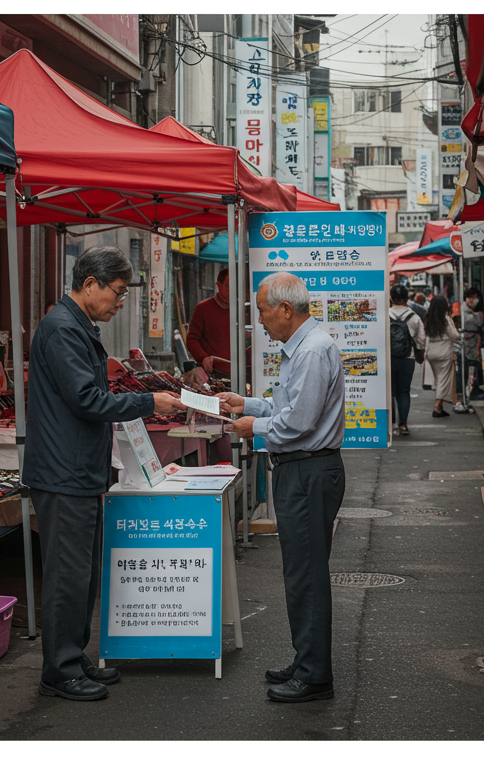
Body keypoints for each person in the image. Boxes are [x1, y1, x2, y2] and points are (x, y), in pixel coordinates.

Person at [24, 245, 186, 702]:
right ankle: (59, 670)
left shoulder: (76, 325)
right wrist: (147, 402)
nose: (120, 302)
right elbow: (86, 400)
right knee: (67, 574)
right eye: (116, 292)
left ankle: (73, 658)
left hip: (76, 468)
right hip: (62, 471)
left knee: (83, 573)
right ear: (89, 284)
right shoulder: (61, 329)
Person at [215, 272, 345, 704]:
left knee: (306, 576)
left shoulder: (311, 350)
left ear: (286, 310)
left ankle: (314, 676)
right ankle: (307, 660)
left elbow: (297, 422)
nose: (260, 320)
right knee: (299, 573)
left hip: (309, 471)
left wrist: (255, 426)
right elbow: (284, 407)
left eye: (263, 311)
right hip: (301, 470)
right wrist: (247, 405)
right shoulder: (301, 348)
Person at [388, 284, 426, 435]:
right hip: (407, 358)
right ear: (407, 298)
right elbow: (422, 339)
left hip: (389, 359)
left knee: (388, 391)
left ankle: (388, 423)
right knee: (403, 392)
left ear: (390, 297)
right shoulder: (414, 317)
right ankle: (402, 424)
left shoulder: (385, 315)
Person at [186, 268, 231, 376]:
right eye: (228, 286)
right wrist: (203, 358)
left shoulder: (244, 309)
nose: (232, 291)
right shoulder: (203, 308)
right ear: (218, 286)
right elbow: (192, 340)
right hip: (215, 373)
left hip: (244, 373)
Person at [423, 294, 461, 417]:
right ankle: (437, 407)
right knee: (443, 380)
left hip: (431, 353)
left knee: (438, 379)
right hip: (443, 352)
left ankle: (440, 406)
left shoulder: (428, 318)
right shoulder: (445, 319)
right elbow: (454, 336)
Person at [461, 287, 484, 400]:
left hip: (473, 344)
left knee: (474, 367)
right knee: (471, 368)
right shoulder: (465, 312)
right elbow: (477, 322)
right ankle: (471, 392)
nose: (473, 300)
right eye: (471, 298)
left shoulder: (471, 311)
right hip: (467, 346)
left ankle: (474, 389)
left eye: (476, 298)